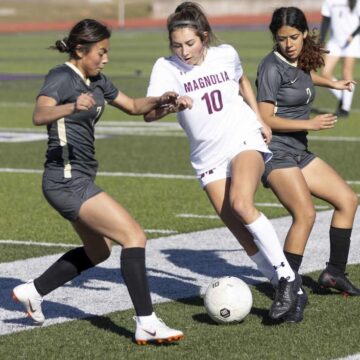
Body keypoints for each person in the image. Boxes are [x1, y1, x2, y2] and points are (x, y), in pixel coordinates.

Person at [11, 19, 184, 345]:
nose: (105, 58)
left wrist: (164, 100)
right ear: (80, 50)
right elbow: (38, 114)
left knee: (99, 250)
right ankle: (146, 323)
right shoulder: (61, 77)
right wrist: (72, 105)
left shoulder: (97, 80)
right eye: (100, 52)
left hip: (76, 178)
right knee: (134, 236)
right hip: (65, 179)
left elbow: (133, 106)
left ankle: (32, 291)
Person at [143, 1, 302, 321]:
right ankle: (279, 282)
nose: (184, 52)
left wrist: (260, 119)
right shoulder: (166, 67)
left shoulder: (225, 53)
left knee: (242, 204)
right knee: (234, 222)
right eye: (177, 45)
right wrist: (168, 105)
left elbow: (242, 81)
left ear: (204, 37)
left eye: (190, 43)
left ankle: (287, 278)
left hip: (242, 138)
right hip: (206, 157)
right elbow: (149, 114)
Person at [256, 6, 360, 323]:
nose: (288, 44)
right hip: (276, 153)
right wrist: (311, 125)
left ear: (304, 34)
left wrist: (334, 84)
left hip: (299, 151)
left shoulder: (298, 58)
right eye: (282, 38)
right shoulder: (270, 68)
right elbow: (264, 118)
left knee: (347, 200)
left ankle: (333, 273)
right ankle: (287, 290)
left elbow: (304, 76)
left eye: (294, 37)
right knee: (305, 214)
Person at [319, 0, 360, 117]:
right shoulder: (329, 1)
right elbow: (325, 22)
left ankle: (345, 108)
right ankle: (344, 96)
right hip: (335, 42)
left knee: (346, 72)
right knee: (325, 73)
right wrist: (320, 42)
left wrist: (353, 35)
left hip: (352, 41)